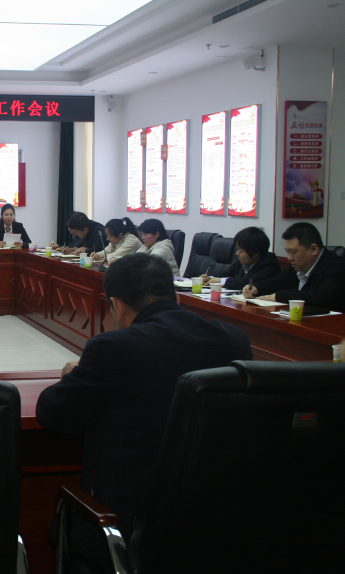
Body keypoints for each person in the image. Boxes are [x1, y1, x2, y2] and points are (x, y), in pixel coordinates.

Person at [36, 253, 252, 570]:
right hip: (216, 527)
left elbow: (53, 413)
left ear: (117, 305)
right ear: (176, 295)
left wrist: (74, 376)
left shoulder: (114, 348)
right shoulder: (234, 341)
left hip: (127, 529)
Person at [243, 222, 345, 311]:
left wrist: (279, 296)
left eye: (294, 252)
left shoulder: (337, 266)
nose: (289, 258)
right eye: (287, 252)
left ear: (313, 249)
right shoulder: (297, 266)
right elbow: (277, 282)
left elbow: (321, 297)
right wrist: (257, 288)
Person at [203, 226, 279, 289]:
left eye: (241, 251)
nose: (237, 253)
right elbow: (225, 274)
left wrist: (221, 281)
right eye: (238, 249)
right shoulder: (240, 263)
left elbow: (248, 283)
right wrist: (210, 278)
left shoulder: (269, 266)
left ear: (256, 253)